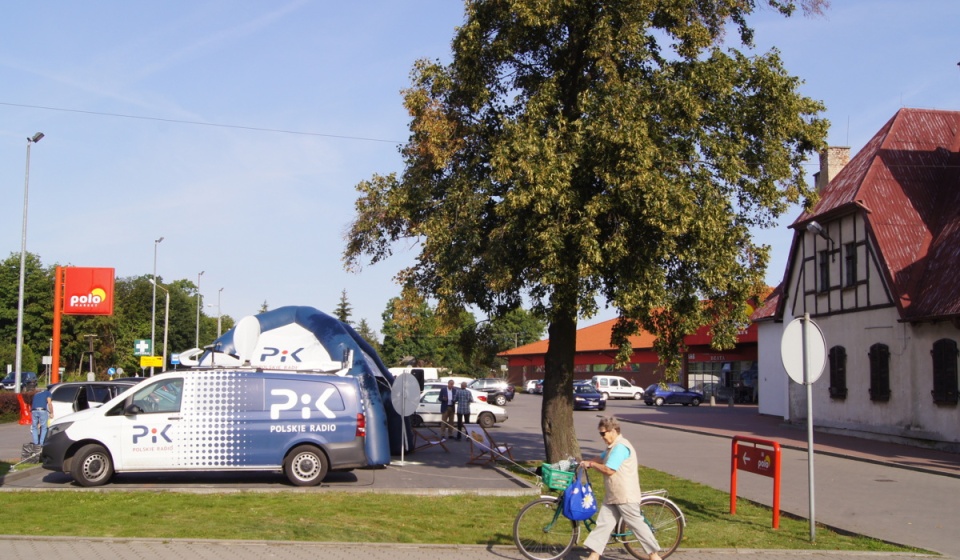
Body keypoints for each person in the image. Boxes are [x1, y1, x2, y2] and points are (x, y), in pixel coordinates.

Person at [581, 416, 662, 560]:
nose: (602, 437)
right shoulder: (612, 447)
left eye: (603, 433)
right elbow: (601, 457)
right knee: (603, 525)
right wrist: (586, 462)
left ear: (612, 431)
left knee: (636, 525)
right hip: (613, 495)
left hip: (625, 495)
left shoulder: (620, 448)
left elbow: (609, 469)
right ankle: (593, 556)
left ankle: (654, 555)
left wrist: (592, 465)